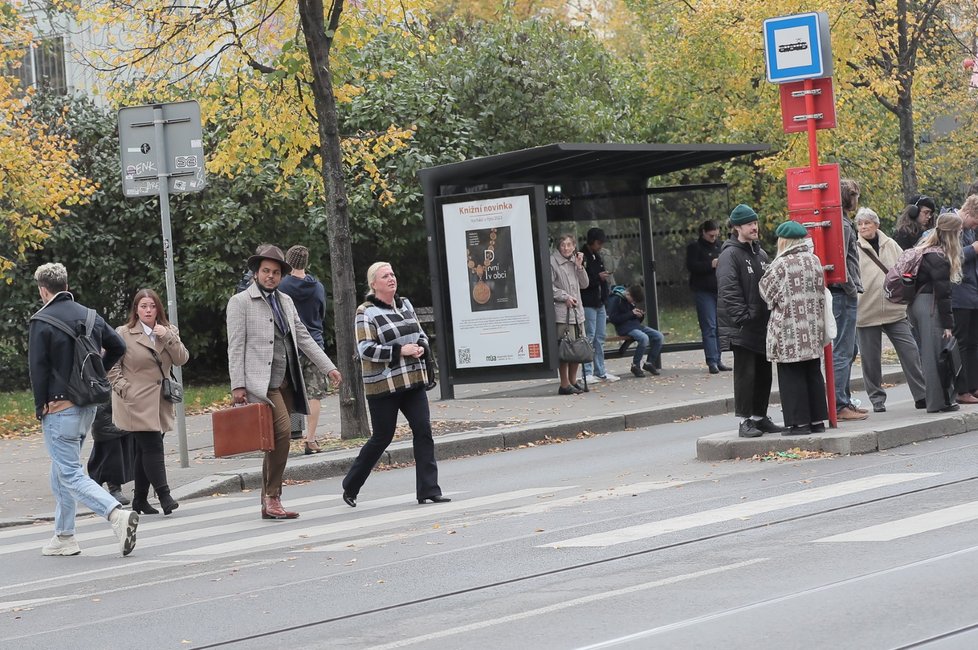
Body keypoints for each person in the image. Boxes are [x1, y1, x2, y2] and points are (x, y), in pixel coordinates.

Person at [28, 262, 139, 557]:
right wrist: (98, 375)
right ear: (66, 285)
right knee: (61, 470)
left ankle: (116, 514)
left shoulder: (42, 321)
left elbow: (38, 370)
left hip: (59, 408)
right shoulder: (90, 315)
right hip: (88, 406)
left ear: (43, 290)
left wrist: (42, 406)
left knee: (69, 473)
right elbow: (118, 347)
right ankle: (65, 536)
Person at [227, 244, 342, 519]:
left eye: (276, 272)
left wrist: (329, 368)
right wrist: (237, 385)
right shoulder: (240, 302)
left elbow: (304, 338)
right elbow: (235, 346)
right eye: (265, 271)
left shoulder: (285, 301)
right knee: (282, 435)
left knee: (275, 441)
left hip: (287, 381)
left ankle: (267, 501)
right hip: (260, 383)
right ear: (256, 273)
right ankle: (272, 496)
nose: (270, 276)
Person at [341, 262, 449, 507]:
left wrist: (421, 346)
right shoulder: (365, 312)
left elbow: (419, 333)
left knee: (423, 431)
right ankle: (351, 485)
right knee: (382, 437)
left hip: (412, 381)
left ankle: (429, 490)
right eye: (385, 276)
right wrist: (401, 350)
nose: (391, 278)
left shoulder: (405, 304)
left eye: (392, 274)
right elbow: (365, 349)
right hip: (383, 386)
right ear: (374, 284)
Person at [107, 288, 190, 516]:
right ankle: (165, 495)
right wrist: (124, 388)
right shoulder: (124, 333)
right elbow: (110, 365)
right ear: (136, 309)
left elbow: (182, 359)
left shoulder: (168, 331)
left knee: (144, 451)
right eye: (143, 306)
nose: (148, 310)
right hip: (135, 401)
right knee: (153, 446)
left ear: (158, 309)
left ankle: (139, 499)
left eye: (152, 306)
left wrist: (167, 336)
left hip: (161, 400)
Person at [716, 204, 785, 438]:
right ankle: (744, 420)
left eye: (755, 222)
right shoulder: (730, 254)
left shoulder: (760, 253)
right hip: (743, 326)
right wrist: (743, 317)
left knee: (764, 373)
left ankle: (759, 417)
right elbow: (728, 289)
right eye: (749, 224)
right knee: (746, 374)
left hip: (762, 324)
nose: (754, 227)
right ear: (737, 227)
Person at [758, 221, 829, 435]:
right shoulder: (814, 260)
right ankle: (817, 421)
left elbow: (766, 293)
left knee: (791, 376)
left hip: (789, 330)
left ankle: (798, 424)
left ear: (784, 241)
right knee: (813, 372)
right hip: (813, 326)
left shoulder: (780, 265)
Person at [854, 207, 928, 412]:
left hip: (895, 309)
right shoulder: (854, 247)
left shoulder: (890, 244)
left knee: (910, 352)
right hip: (867, 310)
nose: (863, 227)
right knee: (870, 361)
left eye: (867, 223)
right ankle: (877, 400)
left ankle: (921, 394)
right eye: (860, 224)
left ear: (876, 225)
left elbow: (906, 266)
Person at [279, 245, 331, 454]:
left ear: (288, 261)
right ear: (306, 263)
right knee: (314, 394)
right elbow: (322, 312)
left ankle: (284, 438)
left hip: (290, 346)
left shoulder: (282, 287)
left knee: (285, 392)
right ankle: (310, 439)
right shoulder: (318, 286)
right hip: (314, 344)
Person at [909, 213, 963, 413]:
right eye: (959, 231)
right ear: (952, 233)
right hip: (930, 304)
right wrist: (949, 324)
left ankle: (942, 400)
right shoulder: (939, 257)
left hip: (920, 303)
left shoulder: (927, 250)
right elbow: (943, 294)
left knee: (934, 353)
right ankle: (937, 403)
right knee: (933, 355)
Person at [829, 178, 868, 421]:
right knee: (843, 350)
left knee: (848, 347)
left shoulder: (839, 222)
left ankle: (843, 399)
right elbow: (841, 260)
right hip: (842, 294)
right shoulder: (843, 225)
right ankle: (839, 403)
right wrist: (851, 288)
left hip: (842, 293)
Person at [686, 219, 731, 374]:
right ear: (703, 232)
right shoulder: (695, 247)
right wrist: (710, 264)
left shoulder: (720, 246)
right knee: (709, 326)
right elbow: (691, 266)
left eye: (716, 234)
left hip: (718, 290)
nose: (714, 238)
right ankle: (711, 360)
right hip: (703, 291)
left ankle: (718, 359)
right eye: (711, 235)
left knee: (719, 326)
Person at [550, 233, 590, 395]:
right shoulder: (553, 262)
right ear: (558, 247)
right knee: (565, 349)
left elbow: (585, 284)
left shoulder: (575, 261)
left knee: (578, 349)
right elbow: (549, 286)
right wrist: (564, 296)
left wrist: (580, 266)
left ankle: (574, 380)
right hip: (562, 313)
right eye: (563, 245)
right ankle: (564, 384)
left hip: (577, 312)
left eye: (569, 245)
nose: (566, 248)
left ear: (574, 247)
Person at [580, 228, 619, 384]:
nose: (600, 246)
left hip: (600, 301)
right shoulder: (583, 257)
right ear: (592, 242)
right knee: (589, 337)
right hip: (589, 302)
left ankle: (600, 370)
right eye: (598, 243)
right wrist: (598, 277)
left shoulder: (597, 256)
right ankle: (587, 371)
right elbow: (582, 280)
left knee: (600, 337)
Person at [952, 196, 978, 404]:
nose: (975, 226)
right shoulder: (951, 226)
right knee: (961, 343)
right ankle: (961, 389)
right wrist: (973, 249)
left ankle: (972, 385)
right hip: (958, 294)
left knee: (972, 342)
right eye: (975, 221)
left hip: (971, 294)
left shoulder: (968, 230)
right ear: (968, 213)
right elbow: (949, 258)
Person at [607, 284, 663, 377]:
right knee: (644, 338)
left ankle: (649, 363)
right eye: (633, 300)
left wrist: (639, 315)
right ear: (628, 294)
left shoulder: (630, 301)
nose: (633, 302)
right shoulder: (616, 299)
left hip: (636, 326)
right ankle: (635, 365)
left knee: (659, 336)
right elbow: (613, 318)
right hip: (624, 328)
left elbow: (633, 318)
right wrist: (631, 313)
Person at [87, 401, 134, 505]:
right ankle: (112, 488)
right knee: (111, 453)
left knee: (116, 451)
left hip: (117, 408)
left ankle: (94, 485)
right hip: (105, 409)